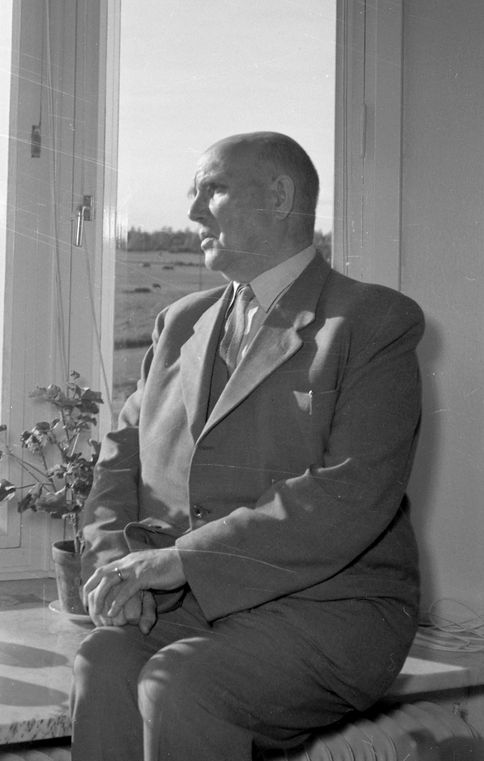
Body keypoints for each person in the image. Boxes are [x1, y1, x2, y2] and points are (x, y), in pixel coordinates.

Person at [70, 132, 424, 761]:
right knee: (104, 658)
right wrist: (116, 571)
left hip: (328, 608)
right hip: (187, 605)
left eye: (213, 189)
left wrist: (182, 561)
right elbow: (119, 462)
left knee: (180, 685)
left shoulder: (372, 323)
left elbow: (350, 492)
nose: (192, 211)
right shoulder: (180, 321)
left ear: (280, 196)